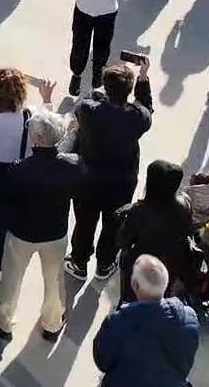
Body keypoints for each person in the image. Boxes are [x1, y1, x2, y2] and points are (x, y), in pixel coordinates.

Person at [0, 111, 82, 342]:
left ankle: (3, 321)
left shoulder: (19, 169)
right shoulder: (71, 165)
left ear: (36, 139)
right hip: (55, 233)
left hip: (22, 234)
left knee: (11, 279)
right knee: (54, 280)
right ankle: (53, 323)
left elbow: (4, 201)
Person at [67, 59, 154, 283]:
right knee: (113, 223)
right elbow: (146, 107)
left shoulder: (89, 111)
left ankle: (78, 261)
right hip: (121, 181)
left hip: (88, 178)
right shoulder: (137, 117)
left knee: (84, 221)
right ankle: (105, 263)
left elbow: (86, 100)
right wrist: (143, 78)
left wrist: (98, 94)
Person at [90, 254, 200, 386]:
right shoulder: (189, 318)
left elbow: (102, 361)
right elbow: (186, 363)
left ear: (134, 284)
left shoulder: (117, 323)